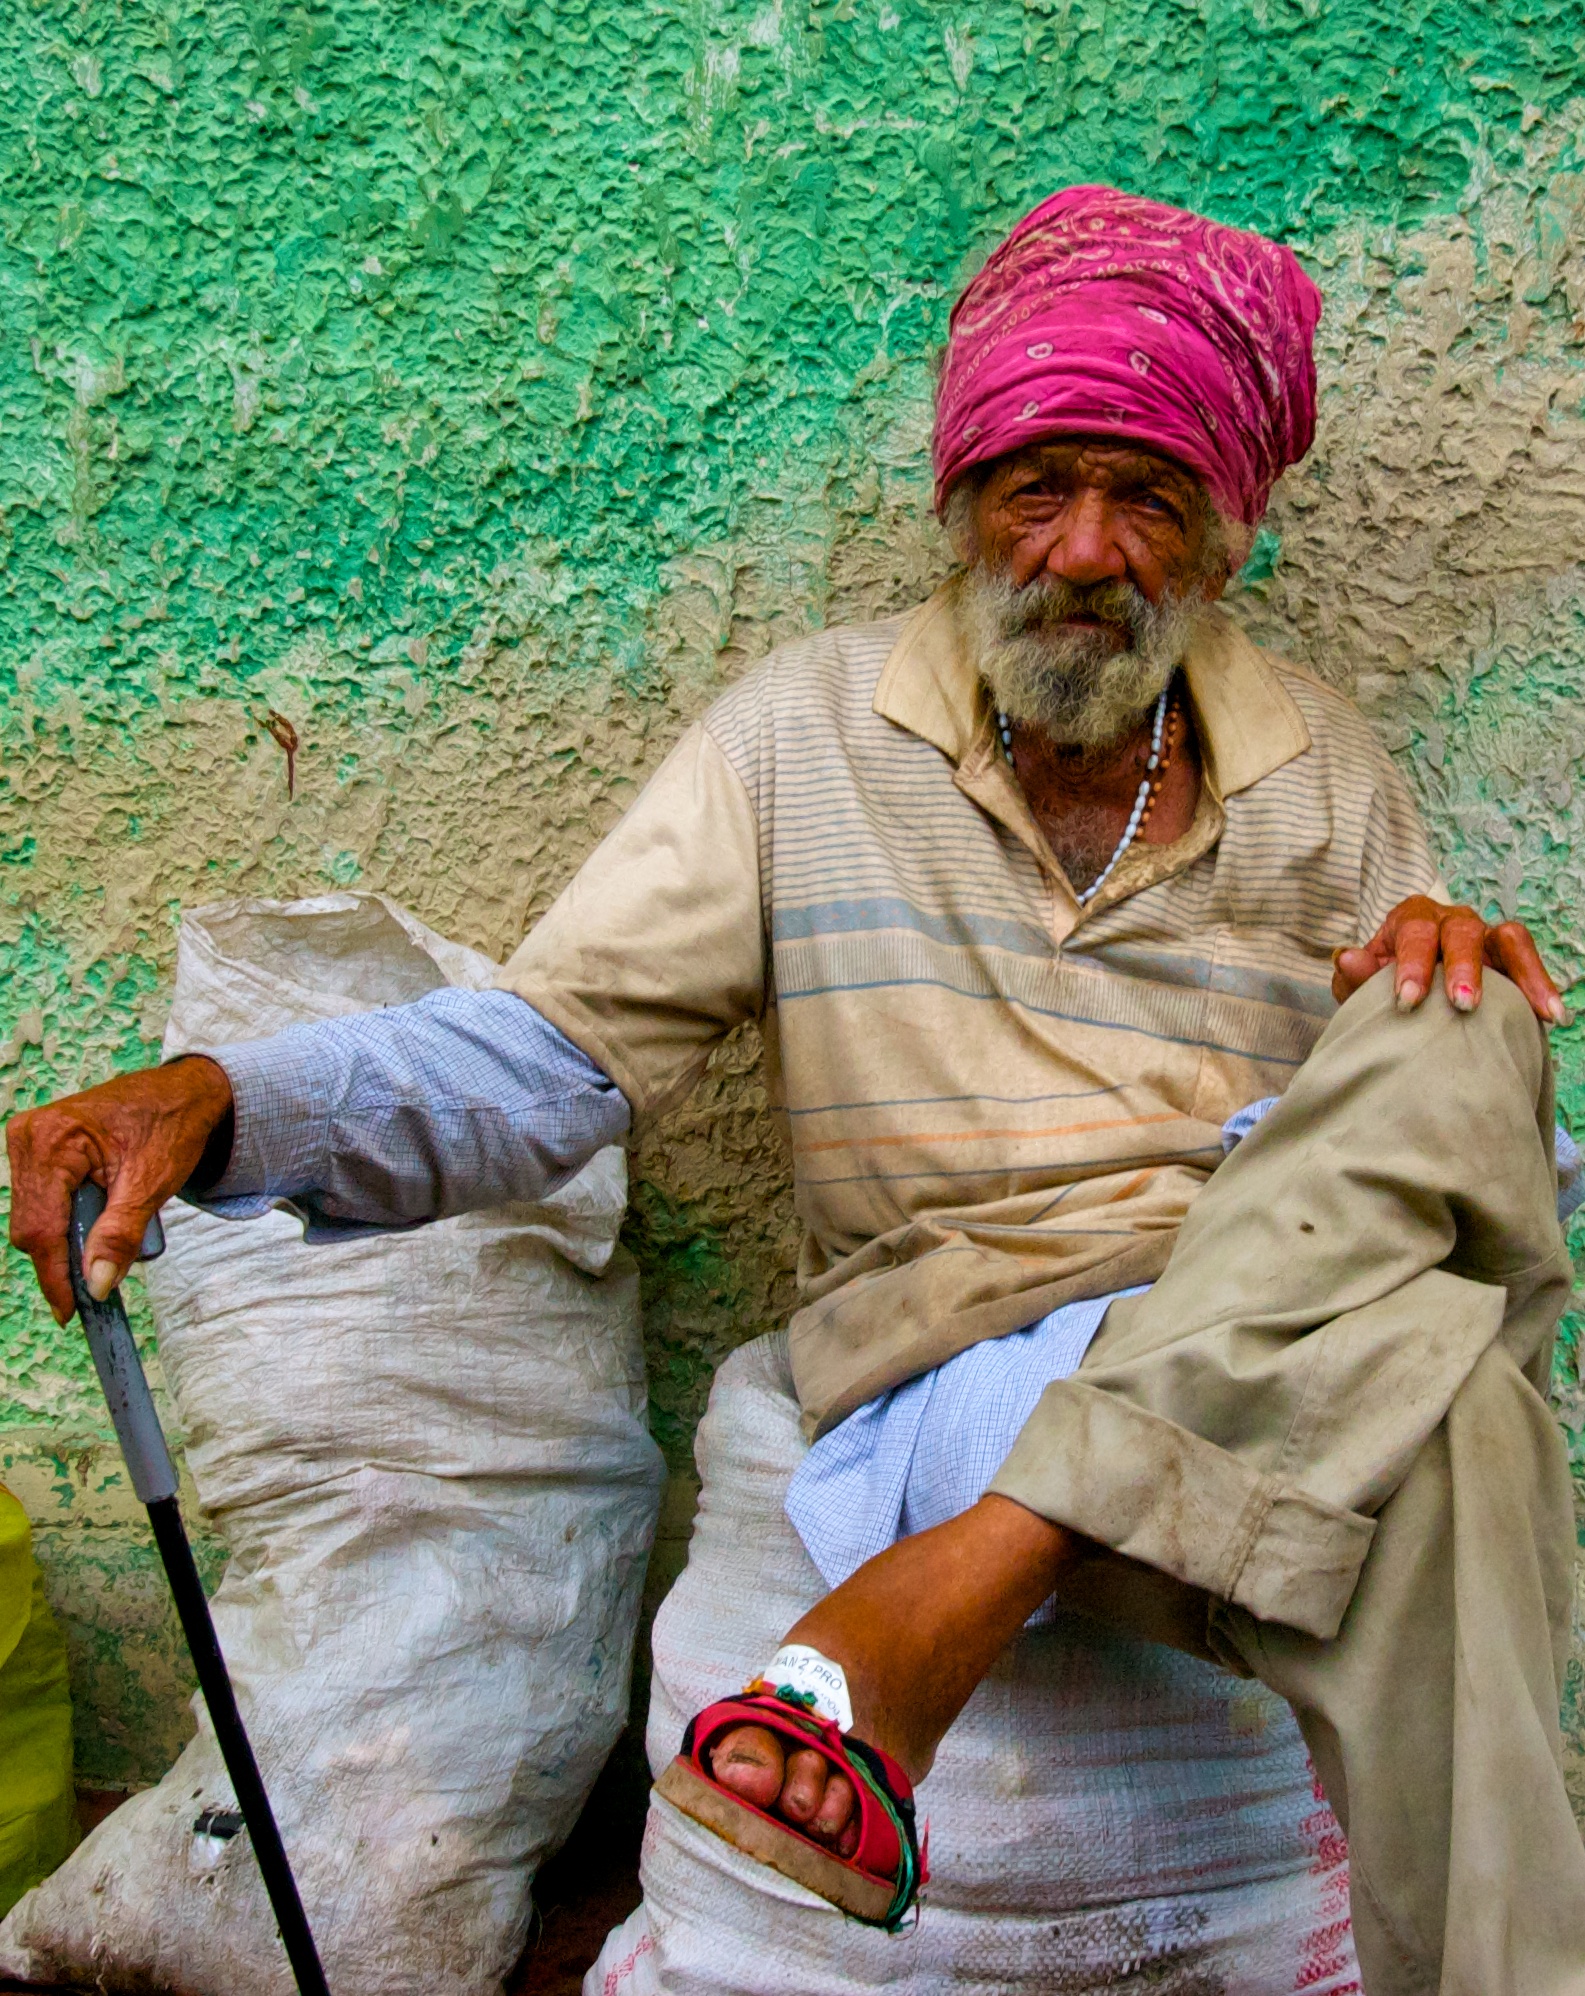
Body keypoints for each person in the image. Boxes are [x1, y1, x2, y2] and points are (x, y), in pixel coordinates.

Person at [8, 186, 1583, 1993]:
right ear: (960, 504)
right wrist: (232, 1102)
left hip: (1254, 1326)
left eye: (1144, 498)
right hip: (948, 1363)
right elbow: (550, 1056)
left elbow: (1459, 1174)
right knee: (1446, 1398)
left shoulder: (1325, 768)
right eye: (1034, 488)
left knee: (1468, 1032)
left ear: (1224, 537)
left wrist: (1423, 1006)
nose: (1081, 551)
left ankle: (962, 1587)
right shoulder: (801, 735)